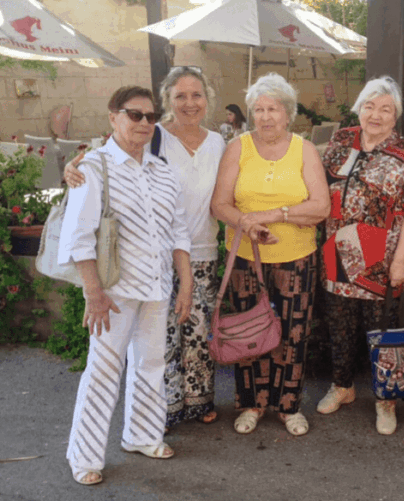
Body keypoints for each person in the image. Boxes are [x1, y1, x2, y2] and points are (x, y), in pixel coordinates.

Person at [64, 67, 227, 430]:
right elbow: (101, 164)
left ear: (207, 99)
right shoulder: (150, 139)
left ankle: (177, 415)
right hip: (137, 265)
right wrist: (70, 170)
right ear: (168, 100)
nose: (189, 102)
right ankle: (150, 418)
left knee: (179, 344)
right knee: (139, 351)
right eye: (180, 96)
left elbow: (210, 203)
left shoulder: (215, 143)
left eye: (196, 95)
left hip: (192, 255)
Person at [59, 86, 192, 486]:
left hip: (157, 287)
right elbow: (79, 236)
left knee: (152, 364)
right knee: (103, 369)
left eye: (151, 117)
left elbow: (179, 232)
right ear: (113, 117)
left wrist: (184, 285)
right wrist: (93, 293)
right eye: (134, 115)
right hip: (113, 292)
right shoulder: (93, 168)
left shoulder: (163, 171)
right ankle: (83, 456)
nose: (144, 123)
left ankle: (143, 435)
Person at [210, 73, 329, 437]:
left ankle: (288, 405)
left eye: (273, 109)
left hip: (297, 259)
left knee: (294, 334)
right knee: (250, 331)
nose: (265, 117)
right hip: (247, 258)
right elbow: (219, 204)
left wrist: (275, 215)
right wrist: (247, 223)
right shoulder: (238, 147)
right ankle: (251, 403)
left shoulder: (304, 150)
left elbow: (321, 206)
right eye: (258, 109)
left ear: (288, 113)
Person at [315, 76, 404, 435]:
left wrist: (401, 262)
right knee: (339, 325)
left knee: (382, 330)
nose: (375, 115)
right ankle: (343, 386)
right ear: (359, 108)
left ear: (395, 116)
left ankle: (385, 399)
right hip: (335, 251)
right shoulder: (340, 140)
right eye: (369, 106)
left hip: (380, 260)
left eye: (385, 109)